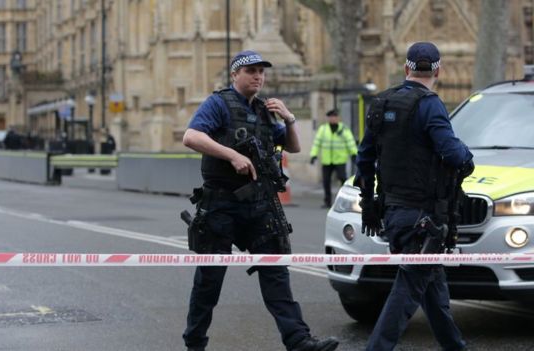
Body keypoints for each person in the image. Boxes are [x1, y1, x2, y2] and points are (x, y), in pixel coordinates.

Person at [182, 50, 339, 351]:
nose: (257, 76)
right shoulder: (219, 103)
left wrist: (290, 119)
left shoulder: (266, 110)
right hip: (221, 205)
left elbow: (292, 146)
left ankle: (299, 341)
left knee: (276, 274)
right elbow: (191, 137)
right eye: (250, 71)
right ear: (234, 75)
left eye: (261, 72)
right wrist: (232, 154)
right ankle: (195, 343)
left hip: (259, 206)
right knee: (209, 282)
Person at [354, 42, 473, 351]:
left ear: (406, 69)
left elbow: (364, 160)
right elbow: (452, 153)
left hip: (393, 214)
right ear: (438, 71)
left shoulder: (382, 102)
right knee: (408, 290)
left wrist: (368, 205)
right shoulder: (431, 104)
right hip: (424, 217)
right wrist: (466, 155)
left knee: (433, 290)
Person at [310, 109, 357, 208]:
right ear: (328, 118)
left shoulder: (344, 129)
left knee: (343, 179)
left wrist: (354, 154)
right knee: (326, 181)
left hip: (340, 160)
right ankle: (327, 202)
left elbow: (350, 142)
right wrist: (313, 155)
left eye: (335, 117)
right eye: (331, 117)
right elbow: (317, 143)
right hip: (327, 161)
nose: (333, 119)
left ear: (338, 118)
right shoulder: (323, 129)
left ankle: (345, 201)